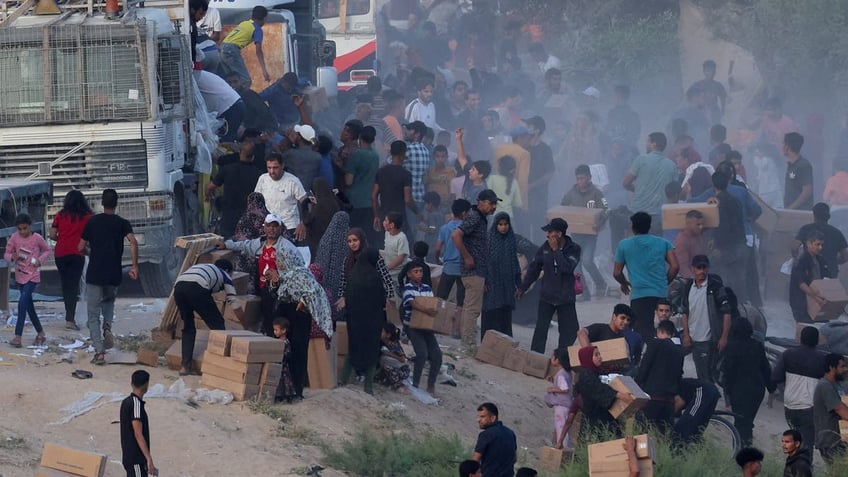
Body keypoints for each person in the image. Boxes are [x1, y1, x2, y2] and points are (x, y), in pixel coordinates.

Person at [79, 189, 138, 366]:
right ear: (116, 203)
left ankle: (99, 352)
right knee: (109, 302)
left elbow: (80, 247)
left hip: (95, 272)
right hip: (114, 272)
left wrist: (90, 252)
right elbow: (133, 241)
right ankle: (108, 326)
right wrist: (135, 266)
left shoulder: (92, 222)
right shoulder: (122, 223)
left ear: (102, 203)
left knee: (93, 314)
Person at [336, 228, 395, 395]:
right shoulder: (347, 261)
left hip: (372, 311)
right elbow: (344, 283)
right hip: (356, 310)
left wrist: (389, 300)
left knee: (366, 346)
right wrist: (343, 297)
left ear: (361, 240)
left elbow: (387, 281)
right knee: (357, 344)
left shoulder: (373, 258)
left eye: (355, 240)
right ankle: (352, 379)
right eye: (349, 241)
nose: (352, 244)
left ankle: (363, 382)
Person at [220, 213, 298, 335]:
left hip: (281, 291)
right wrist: (226, 244)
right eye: (269, 225)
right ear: (264, 228)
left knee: (279, 321)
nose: (272, 229)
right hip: (263, 289)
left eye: (275, 226)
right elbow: (243, 245)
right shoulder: (259, 244)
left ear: (281, 228)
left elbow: (299, 268)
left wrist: (280, 275)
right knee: (267, 320)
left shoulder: (288, 247)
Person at [274, 246, 332, 400]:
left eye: (280, 259)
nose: (278, 262)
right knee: (284, 353)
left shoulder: (302, 273)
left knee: (298, 354)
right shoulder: (285, 275)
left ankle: (296, 391)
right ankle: (283, 391)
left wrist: (303, 302)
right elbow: (279, 293)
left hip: (299, 317)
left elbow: (314, 291)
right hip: (285, 316)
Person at [517, 218, 581, 354]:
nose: (547, 235)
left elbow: (566, 268)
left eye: (550, 232)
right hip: (547, 296)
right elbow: (534, 269)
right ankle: (535, 358)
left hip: (565, 298)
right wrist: (522, 288)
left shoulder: (574, 249)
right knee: (541, 329)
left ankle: (562, 357)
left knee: (569, 330)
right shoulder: (545, 248)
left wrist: (556, 250)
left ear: (559, 234)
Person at [613, 212, 679, 342]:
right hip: (660, 294)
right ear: (650, 226)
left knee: (641, 334)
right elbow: (675, 266)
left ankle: (643, 360)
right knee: (664, 331)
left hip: (639, 295)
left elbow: (616, 272)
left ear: (633, 227)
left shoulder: (624, 245)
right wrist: (664, 283)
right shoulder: (663, 243)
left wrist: (624, 283)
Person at [174, 260, 244, 375]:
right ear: (227, 271)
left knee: (188, 327)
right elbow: (234, 304)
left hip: (179, 288)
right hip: (197, 287)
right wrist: (245, 326)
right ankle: (220, 365)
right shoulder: (225, 275)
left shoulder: (202, 266)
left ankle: (185, 367)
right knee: (218, 325)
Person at [720, 304, 775, 447]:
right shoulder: (757, 345)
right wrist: (772, 389)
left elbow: (727, 374)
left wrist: (727, 398)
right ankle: (747, 448)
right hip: (757, 391)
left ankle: (739, 451)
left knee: (739, 423)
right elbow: (765, 369)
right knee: (748, 422)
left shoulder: (731, 348)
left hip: (739, 392)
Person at [452, 190, 500, 345]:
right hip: (472, 270)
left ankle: (467, 341)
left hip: (478, 271)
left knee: (470, 307)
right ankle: (469, 343)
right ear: (482, 202)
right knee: (472, 309)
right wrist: (467, 257)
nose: (494, 207)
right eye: (492, 203)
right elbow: (456, 235)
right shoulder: (474, 216)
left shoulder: (481, 218)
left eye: (495, 204)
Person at [771, 326, 827, 451]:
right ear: (817, 341)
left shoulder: (788, 354)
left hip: (790, 405)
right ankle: (803, 468)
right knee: (807, 444)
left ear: (800, 339)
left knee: (795, 441)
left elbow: (775, 377)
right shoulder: (822, 359)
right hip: (809, 407)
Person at [679, 255, 731, 383]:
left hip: (707, 340)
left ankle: (710, 399)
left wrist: (724, 337)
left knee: (705, 376)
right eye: (699, 268)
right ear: (693, 269)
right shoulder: (688, 287)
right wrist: (686, 334)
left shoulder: (715, 287)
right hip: (691, 337)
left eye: (704, 267)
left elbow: (727, 313)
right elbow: (685, 312)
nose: (702, 271)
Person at [560, 164, 608, 299]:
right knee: (575, 264)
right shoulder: (572, 192)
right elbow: (563, 206)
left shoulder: (597, 193)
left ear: (589, 177)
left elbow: (605, 209)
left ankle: (600, 283)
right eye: (578, 178)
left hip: (590, 234)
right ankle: (584, 291)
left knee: (587, 261)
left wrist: (599, 223)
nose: (580, 181)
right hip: (576, 234)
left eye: (582, 178)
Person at [5, 213, 50, 348]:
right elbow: (7, 254)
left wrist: (39, 261)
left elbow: (47, 250)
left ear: (30, 226)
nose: (23, 231)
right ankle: (41, 333)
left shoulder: (37, 238)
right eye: (20, 229)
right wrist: (13, 256)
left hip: (33, 276)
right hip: (20, 276)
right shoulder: (14, 238)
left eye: (25, 228)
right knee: (29, 307)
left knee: (22, 303)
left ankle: (18, 336)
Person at [50, 190, 92, 331]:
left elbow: (52, 234)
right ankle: (70, 319)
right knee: (73, 287)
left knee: (66, 284)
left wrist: (62, 239)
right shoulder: (87, 217)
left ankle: (69, 317)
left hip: (60, 253)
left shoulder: (60, 215)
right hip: (77, 254)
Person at [206, 136, 264, 238]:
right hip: (249, 218)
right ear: (253, 156)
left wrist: (207, 196)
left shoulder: (227, 169)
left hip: (229, 217)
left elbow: (210, 187)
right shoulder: (259, 175)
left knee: (228, 246)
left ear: (239, 152)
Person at [401, 261, 443, 395]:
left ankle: (431, 384)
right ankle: (416, 383)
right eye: (416, 272)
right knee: (422, 354)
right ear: (409, 274)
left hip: (426, 327)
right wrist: (427, 310)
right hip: (412, 327)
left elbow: (432, 303)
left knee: (437, 355)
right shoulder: (407, 288)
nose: (419, 274)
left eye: (420, 271)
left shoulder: (427, 288)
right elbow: (413, 303)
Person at [574, 346, 634, 436]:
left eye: (599, 354)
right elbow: (598, 389)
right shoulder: (586, 375)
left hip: (606, 417)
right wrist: (620, 395)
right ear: (587, 358)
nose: (600, 357)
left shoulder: (599, 372)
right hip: (594, 419)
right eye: (596, 355)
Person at [622, 133, 678, 231]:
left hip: (638, 212)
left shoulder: (641, 160)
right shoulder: (672, 165)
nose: (645, 144)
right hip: (661, 215)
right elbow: (675, 191)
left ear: (654, 144)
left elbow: (625, 183)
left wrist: (636, 189)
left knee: (638, 243)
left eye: (647, 142)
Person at [636, 320, 684, 432]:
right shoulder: (679, 352)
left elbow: (644, 368)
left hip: (652, 398)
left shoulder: (655, 344)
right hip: (669, 402)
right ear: (672, 334)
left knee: (644, 433)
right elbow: (679, 376)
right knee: (664, 435)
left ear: (658, 331)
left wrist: (636, 386)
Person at [707, 171, 748, 299]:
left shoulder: (718, 203)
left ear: (713, 184)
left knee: (725, 279)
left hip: (727, 247)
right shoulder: (735, 201)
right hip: (740, 244)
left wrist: (718, 246)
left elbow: (724, 227)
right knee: (738, 280)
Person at [254, 153, 308, 244]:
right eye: (269, 168)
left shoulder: (293, 181)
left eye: (275, 167)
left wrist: (303, 223)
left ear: (282, 165)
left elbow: (306, 202)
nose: (272, 171)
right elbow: (256, 201)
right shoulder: (263, 179)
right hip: (269, 228)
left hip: (289, 227)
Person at [483, 212, 521, 338]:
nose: (503, 227)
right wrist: (484, 281)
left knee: (505, 315)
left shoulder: (511, 239)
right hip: (492, 284)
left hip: (507, 285)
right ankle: (488, 346)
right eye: (500, 224)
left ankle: (504, 346)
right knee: (491, 314)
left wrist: (518, 283)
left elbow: (514, 262)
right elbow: (484, 262)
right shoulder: (489, 239)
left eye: (506, 224)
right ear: (495, 225)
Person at [435, 199, 471, 336]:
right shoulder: (466, 228)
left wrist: (438, 259)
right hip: (463, 268)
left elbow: (438, 248)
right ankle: (456, 329)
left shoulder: (445, 228)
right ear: (463, 213)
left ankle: (437, 325)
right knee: (460, 300)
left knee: (441, 297)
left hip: (448, 267)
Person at [219, 5, 270, 87]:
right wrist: (264, 70)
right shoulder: (257, 29)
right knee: (245, 80)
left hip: (221, 48)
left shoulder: (244, 23)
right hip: (231, 50)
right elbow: (258, 51)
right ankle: (241, 99)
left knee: (231, 81)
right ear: (264, 18)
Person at [794, 202, 848, 278]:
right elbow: (845, 256)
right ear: (828, 216)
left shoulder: (805, 229)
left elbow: (794, 247)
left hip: (809, 271)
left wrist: (796, 260)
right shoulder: (837, 233)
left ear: (814, 215)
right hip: (830, 272)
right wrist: (833, 262)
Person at [345, 125, 380, 237]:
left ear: (359, 138)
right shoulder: (375, 156)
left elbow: (348, 181)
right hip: (369, 202)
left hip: (355, 202)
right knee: (365, 236)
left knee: (354, 235)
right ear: (373, 140)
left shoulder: (356, 155)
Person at [813, 353, 848, 464]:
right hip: (830, 441)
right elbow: (843, 412)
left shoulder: (836, 385)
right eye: (842, 366)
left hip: (839, 439)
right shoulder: (825, 386)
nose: (845, 369)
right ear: (831, 367)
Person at [233, 192, 269, 293]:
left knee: (244, 286)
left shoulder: (243, 219)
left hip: (243, 256)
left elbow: (237, 238)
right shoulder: (268, 217)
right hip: (262, 256)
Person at [120, 370, 155, 477]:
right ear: (146, 385)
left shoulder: (126, 402)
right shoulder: (136, 404)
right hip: (136, 459)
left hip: (129, 457)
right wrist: (148, 458)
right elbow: (138, 433)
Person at [789, 230, 828, 323]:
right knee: (805, 327)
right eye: (817, 244)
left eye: (822, 245)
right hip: (801, 301)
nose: (820, 248)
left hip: (817, 299)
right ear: (808, 243)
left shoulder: (820, 259)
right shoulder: (801, 260)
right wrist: (816, 297)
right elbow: (801, 284)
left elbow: (825, 279)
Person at [473, 402, 517, 477]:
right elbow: (515, 458)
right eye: (478, 417)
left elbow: (475, 461)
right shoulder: (510, 433)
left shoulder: (486, 434)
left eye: (482, 417)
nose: (478, 420)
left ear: (493, 418)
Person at [494, 126, 533, 209]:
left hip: (498, 193)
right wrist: (523, 204)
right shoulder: (524, 153)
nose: (529, 141)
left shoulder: (499, 149)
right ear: (520, 138)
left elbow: (495, 170)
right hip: (513, 197)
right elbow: (522, 181)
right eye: (527, 138)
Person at [303, 178, 341, 258]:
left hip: (319, 242)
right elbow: (348, 207)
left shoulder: (319, 206)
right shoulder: (335, 202)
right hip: (336, 241)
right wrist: (340, 194)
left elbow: (307, 221)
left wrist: (305, 203)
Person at [547, 348, 573, 450]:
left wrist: (551, 389)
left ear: (557, 360)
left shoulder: (561, 373)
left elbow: (564, 388)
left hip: (561, 405)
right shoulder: (567, 372)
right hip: (567, 405)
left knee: (561, 428)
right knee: (565, 429)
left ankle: (562, 449)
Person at [283, 124, 322, 191]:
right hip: (308, 195)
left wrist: (290, 142)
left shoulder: (291, 154)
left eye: (297, 134)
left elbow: (278, 160)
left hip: (292, 194)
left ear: (299, 138)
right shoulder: (317, 157)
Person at [784, 132, 813, 210]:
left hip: (801, 213)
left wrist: (791, 208)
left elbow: (807, 191)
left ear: (787, 147)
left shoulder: (803, 165)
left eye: (783, 144)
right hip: (791, 212)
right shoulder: (791, 165)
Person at [376, 322, 410, 390]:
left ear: (388, 335)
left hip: (400, 369)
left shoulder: (393, 344)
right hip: (392, 366)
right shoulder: (381, 342)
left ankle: (397, 384)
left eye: (382, 331)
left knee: (386, 365)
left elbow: (402, 359)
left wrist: (389, 354)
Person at [270, 317, 297, 403]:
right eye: (274, 330)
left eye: (276, 330)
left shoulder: (285, 342)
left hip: (283, 366)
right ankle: (279, 396)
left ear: (283, 330)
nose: (274, 332)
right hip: (278, 365)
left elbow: (287, 354)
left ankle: (286, 396)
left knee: (284, 382)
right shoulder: (276, 341)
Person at [692, 60, 727, 124]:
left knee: (716, 129)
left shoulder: (718, 85)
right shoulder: (697, 85)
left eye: (713, 70)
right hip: (701, 112)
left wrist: (723, 109)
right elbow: (690, 97)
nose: (711, 72)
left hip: (714, 112)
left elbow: (723, 98)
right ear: (704, 71)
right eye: (708, 70)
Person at [673, 210, 705, 279]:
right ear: (688, 223)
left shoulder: (698, 236)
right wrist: (695, 281)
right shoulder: (682, 240)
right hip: (689, 279)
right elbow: (682, 267)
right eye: (698, 224)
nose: (701, 227)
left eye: (702, 224)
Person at [382, 212, 410, 285]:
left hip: (397, 273)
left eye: (385, 220)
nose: (383, 222)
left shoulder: (401, 238)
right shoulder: (387, 233)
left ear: (392, 225)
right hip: (388, 271)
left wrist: (386, 269)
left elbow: (400, 259)